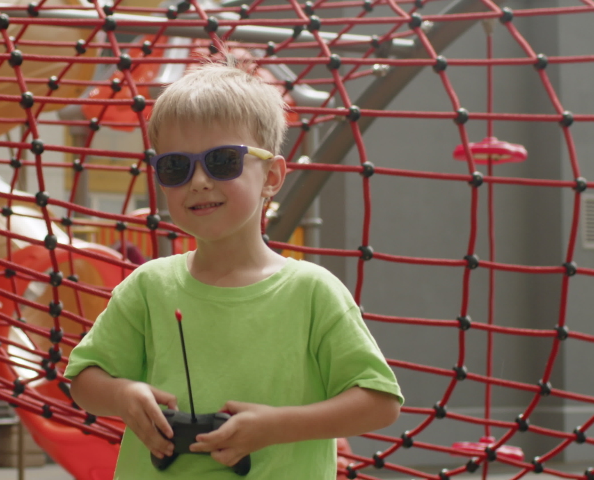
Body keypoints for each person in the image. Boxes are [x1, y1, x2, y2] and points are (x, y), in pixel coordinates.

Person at [64, 56, 403, 479]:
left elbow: (379, 402)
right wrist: (123, 394)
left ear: (272, 176)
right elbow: (83, 381)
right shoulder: (148, 286)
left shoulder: (312, 291)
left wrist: (276, 426)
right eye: (176, 167)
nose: (198, 181)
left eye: (223, 161)